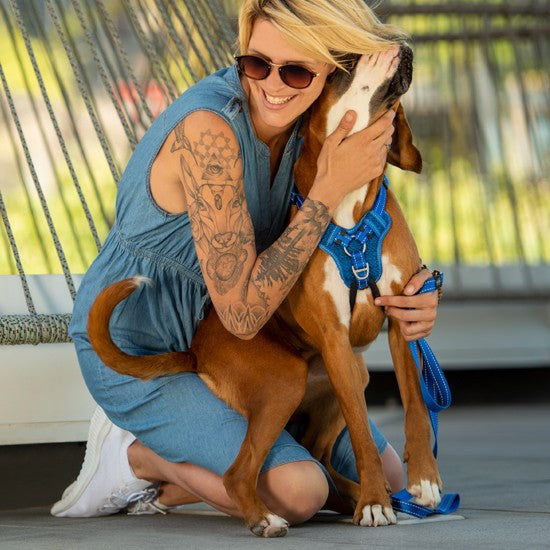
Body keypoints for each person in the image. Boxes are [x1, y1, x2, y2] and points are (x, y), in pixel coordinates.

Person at [51, 0, 439, 524]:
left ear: (330, 73)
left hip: (242, 349)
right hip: (146, 344)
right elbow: (241, 313)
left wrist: (416, 295)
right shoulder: (210, 131)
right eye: (255, 63)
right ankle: (134, 459)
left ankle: (202, 463)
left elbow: (361, 237)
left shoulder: (313, 121)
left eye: (297, 70)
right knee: (302, 492)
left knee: (392, 480)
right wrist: (327, 188)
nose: (273, 85)